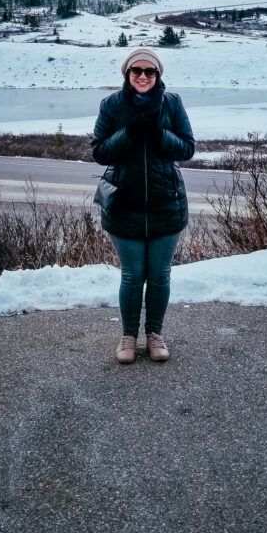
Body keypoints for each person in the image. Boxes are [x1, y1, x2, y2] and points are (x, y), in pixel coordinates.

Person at [92, 48, 195, 364]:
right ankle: (128, 337)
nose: (142, 76)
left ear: (158, 75)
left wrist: (159, 134)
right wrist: (130, 134)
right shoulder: (111, 106)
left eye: (149, 71)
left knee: (160, 276)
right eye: (136, 70)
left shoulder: (172, 104)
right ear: (127, 74)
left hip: (166, 204)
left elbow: (187, 148)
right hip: (124, 205)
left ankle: (154, 335)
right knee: (132, 276)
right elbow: (100, 152)